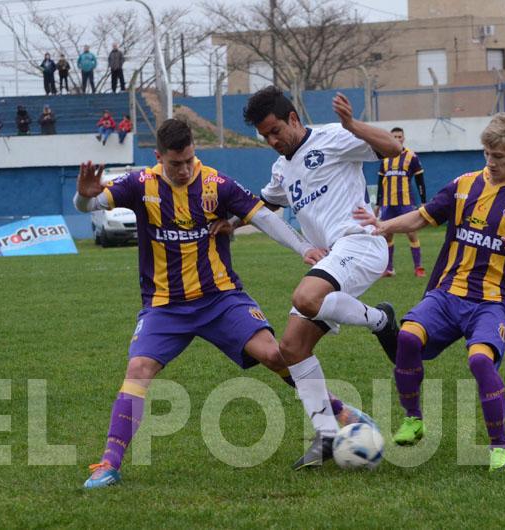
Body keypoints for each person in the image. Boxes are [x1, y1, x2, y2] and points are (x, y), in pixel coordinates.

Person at [74, 118, 371, 489]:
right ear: (158, 157)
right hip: (165, 307)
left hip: (221, 300)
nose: (183, 170)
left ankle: (342, 412)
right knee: (138, 369)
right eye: (174, 164)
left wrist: (303, 248)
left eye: (188, 161)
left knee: (276, 355)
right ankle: (108, 464)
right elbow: (90, 203)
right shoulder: (140, 184)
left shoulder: (216, 184)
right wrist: (84, 196)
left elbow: (262, 216)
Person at [354, 113, 505, 472]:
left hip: (494, 301)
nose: (491, 162)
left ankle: (499, 446)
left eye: (499, 156)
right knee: (407, 337)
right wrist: (384, 224)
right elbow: (422, 216)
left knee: (480, 360)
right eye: (487, 154)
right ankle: (413, 418)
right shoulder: (464, 185)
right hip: (448, 292)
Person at [243, 86, 402, 469]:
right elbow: (263, 203)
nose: (272, 140)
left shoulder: (334, 136)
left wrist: (352, 124)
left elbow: (393, 149)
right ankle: (328, 434)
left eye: (276, 130)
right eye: (265, 136)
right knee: (291, 349)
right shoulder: (282, 169)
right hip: (333, 261)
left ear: (293, 119)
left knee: (305, 297)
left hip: (360, 244)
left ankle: (381, 320)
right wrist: (227, 221)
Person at [377, 127, 427, 278]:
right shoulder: (384, 157)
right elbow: (380, 182)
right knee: (387, 235)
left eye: (399, 136)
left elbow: (420, 181)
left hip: (405, 203)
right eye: (394, 137)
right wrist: (378, 204)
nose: (397, 139)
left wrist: (423, 201)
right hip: (388, 203)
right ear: (390, 138)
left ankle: (418, 267)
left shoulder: (411, 156)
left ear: (403, 138)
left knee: (411, 233)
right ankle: (389, 268)